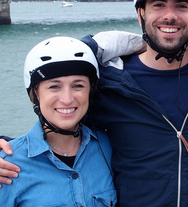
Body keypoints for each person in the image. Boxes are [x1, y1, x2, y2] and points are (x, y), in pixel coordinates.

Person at [0, 0, 188, 206]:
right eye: (158, 5)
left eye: (182, 6)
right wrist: (6, 145)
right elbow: (61, 115)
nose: (169, 15)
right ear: (140, 13)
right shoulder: (110, 80)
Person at [0, 36, 116, 206]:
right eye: (54, 86)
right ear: (36, 94)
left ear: (90, 92)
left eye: (78, 86)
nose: (67, 99)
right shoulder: (8, 165)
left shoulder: (111, 148)